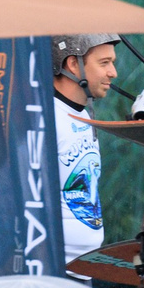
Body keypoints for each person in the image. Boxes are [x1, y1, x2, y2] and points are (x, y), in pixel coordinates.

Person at [49, 34, 116, 260]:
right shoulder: (45, 119)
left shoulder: (84, 115)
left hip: (84, 264)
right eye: (104, 63)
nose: (113, 73)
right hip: (53, 266)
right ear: (73, 64)